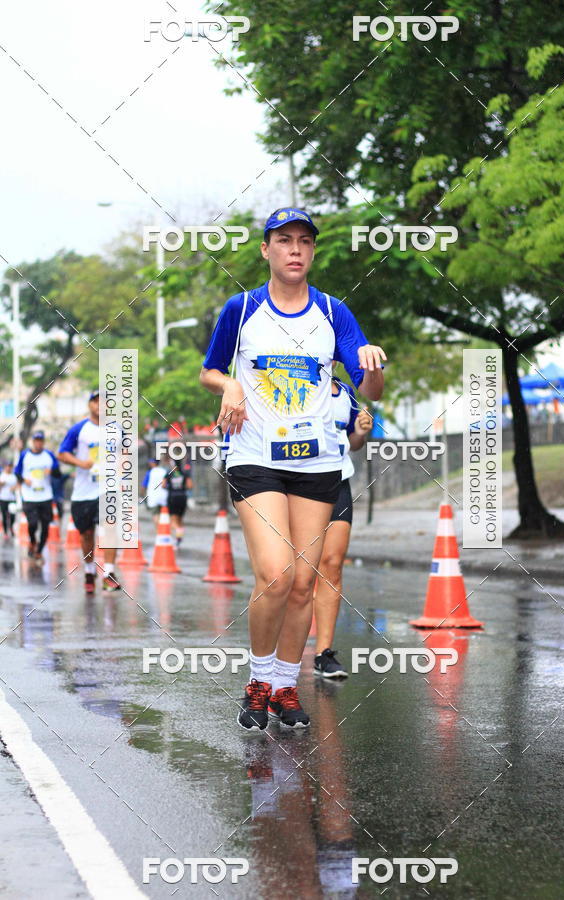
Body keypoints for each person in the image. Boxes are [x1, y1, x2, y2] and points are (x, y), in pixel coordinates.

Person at [200, 206, 385, 731]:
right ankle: (258, 678)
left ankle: (285, 686)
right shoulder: (242, 309)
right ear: (266, 250)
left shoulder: (333, 311)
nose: (296, 249)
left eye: (305, 241)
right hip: (255, 455)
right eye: (285, 241)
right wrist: (230, 385)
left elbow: (367, 389)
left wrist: (372, 368)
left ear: (312, 251)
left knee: (304, 582)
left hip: (318, 461)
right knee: (276, 574)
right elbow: (209, 370)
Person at [313, 374, 372, 678]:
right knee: (294, 569)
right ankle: (281, 652)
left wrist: (360, 432)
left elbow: (352, 444)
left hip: (337, 481)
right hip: (299, 480)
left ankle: (323, 653)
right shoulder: (291, 378)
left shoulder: (345, 392)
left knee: (332, 564)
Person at [57, 390, 121, 594]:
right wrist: (80, 463)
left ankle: (109, 573)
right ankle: (89, 570)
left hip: (108, 489)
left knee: (110, 527)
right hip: (83, 492)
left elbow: (125, 454)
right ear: (90, 405)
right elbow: (62, 454)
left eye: (104, 401)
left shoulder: (118, 430)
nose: (100, 405)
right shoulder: (79, 430)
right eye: (96, 401)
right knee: (86, 535)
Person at [14, 430, 60, 562]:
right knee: (32, 523)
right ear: (33, 442)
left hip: (45, 496)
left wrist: (51, 471)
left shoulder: (49, 455)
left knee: (46, 525)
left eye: (41, 440)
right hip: (29, 496)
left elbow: (58, 474)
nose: (38, 443)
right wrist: (24, 480)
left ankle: (39, 551)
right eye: (36, 440)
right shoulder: (25, 455)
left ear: (43, 442)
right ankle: (33, 541)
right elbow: (17, 473)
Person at [162, 458, 192, 546]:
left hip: (172, 498)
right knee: (180, 519)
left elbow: (163, 485)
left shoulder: (169, 474)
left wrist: (170, 487)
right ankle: (179, 538)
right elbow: (190, 486)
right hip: (182, 497)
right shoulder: (185, 473)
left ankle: (176, 535)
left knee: (173, 520)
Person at [0, 461, 18, 539]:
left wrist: (14, 488)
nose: (8, 468)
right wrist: (2, 483)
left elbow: (18, 484)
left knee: (13, 515)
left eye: (10, 466)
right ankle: (5, 532)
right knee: (4, 515)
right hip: (3, 498)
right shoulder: (2, 476)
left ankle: (11, 527)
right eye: (7, 466)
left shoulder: (14, 476)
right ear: (5, 467)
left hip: (12, 498)